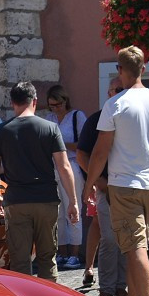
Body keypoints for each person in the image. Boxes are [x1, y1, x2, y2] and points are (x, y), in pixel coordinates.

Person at [85, 45, 149, 296]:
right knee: (140, 248)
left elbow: (100, 152)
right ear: (143, 69)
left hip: (123, 185)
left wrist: (88, 185)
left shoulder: (115, 104)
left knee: (135, 249)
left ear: (120, 70)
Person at [0, 81, 79, 282]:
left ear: (12, 103)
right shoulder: (50, 128)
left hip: (17, 200)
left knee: (20, 261)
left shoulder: (1, 131)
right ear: (35, 101)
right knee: (47, 258)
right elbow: (64, 167)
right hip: (46, 200)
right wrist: (73, 200)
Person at [77, 78, 127, 296]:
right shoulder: (96, 119)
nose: (115, 94)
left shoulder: (132, 118)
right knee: (108, 238)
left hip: (130, 187)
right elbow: (83, 155)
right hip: (106, 188)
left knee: (127, 239)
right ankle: (107, 288)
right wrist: (99, 182)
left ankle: (122, 286)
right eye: (113, 91)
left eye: (120, 90)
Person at [46, 85, 88, 268]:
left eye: (58, 104)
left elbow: (84, 144)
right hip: (54, 166)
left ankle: (75, 253)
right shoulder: (49, 119)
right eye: (52, 105)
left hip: (72, 165)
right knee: (58, 212)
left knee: (73, 206)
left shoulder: (77, 117)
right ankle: (62, 251)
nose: (55, 108)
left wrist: (60, 145)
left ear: (65, 101)